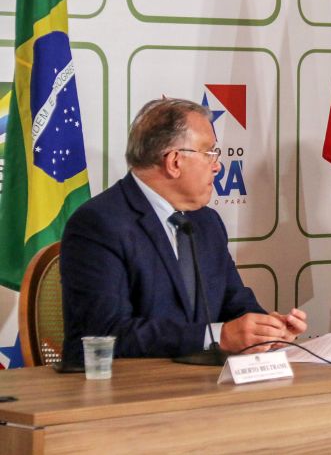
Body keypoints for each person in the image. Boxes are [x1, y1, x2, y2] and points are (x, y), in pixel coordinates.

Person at [61, 98, 306, 363]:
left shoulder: (206, 222)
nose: (217, 165)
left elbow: (234, 303)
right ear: (175, 161)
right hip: (125, 391)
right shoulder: (99, 223)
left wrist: (266, 329)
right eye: (209, 153)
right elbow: (105, 333)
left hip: (201, 385)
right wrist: (216, 336)